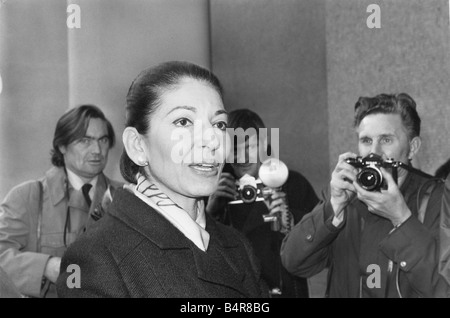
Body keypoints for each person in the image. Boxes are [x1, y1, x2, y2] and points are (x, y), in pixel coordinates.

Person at [56, 61, 268, 298]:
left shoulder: (239, 247)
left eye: (219, 124)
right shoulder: (95, 257)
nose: (212, 139)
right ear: (138, 146)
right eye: (184, 121)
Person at [281, 93, 449, 298]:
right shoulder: (347, 196)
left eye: (386, 139)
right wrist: (332, 207)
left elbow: (442, 288)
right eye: (366, 140)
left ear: (412, 148)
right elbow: (294, 262)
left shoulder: (438, 200)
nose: (374, 151)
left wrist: (402, 219)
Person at [0, 104, 122, 298]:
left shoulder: (124, 198)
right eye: (85, 141)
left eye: (103, 140)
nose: (97, 150)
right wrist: (46, 266)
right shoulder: (27, 197)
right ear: (62, 146)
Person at [206, 109, 319, 297]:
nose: (242, 157)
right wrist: (211, 213)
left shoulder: (292, 184)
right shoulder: (213, 190)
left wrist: (291, 221)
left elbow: (321, 247)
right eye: (234, 149)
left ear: (264, 145)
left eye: (249, 147)